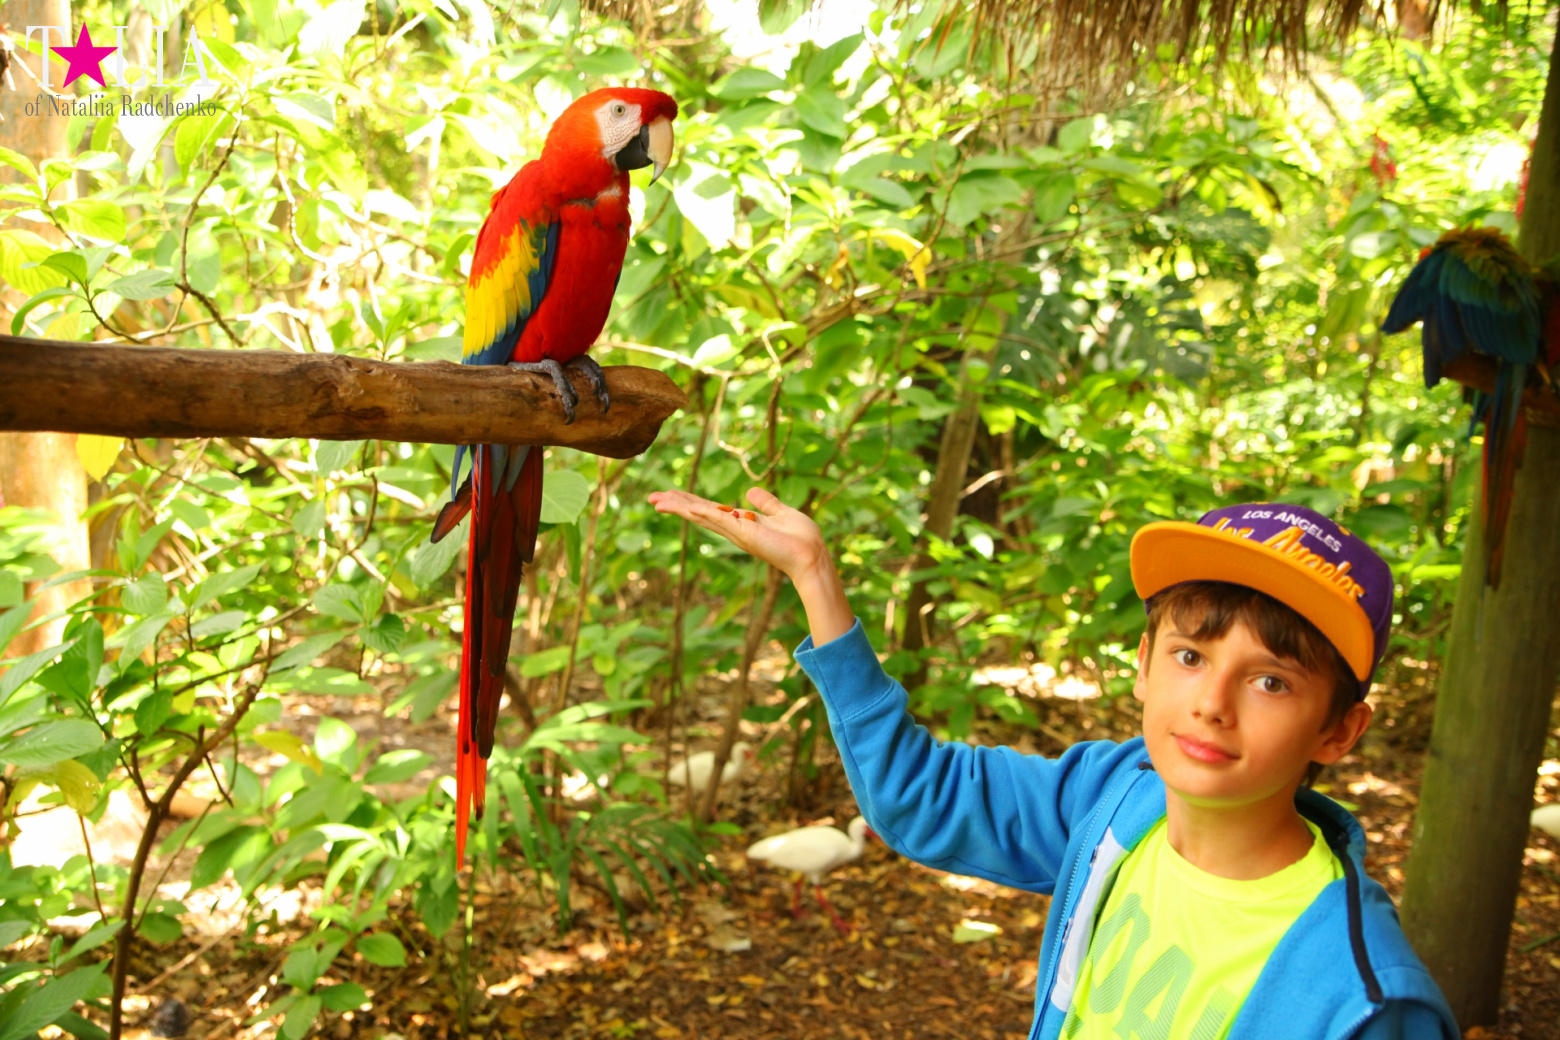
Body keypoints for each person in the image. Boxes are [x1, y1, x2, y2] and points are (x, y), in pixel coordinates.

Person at [647, 489, 1458, 1040]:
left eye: (1272, 680)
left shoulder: (1365, 999)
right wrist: (817, 581)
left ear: (1339, 731)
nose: (1213, 702)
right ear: (1142, 664)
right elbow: (921, 797)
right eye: (1189, 655)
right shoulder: (1116, 798)